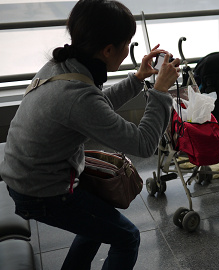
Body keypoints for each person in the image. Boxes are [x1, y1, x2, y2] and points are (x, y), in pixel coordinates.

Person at [0, 1, 181, 269]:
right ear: (108, 49)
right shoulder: (76, 95)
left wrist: (137, 78)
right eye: (126, 43)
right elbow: (143, 144)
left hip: (27, 173)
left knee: (98, 224)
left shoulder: (61, 67)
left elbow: (93, 107)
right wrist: (161, 92)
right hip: (41, 192)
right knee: (127, 237)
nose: (127, 50)